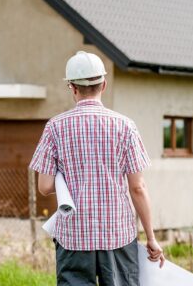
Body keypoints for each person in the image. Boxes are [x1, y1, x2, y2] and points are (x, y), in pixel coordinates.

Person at [30, 51, 164, 286]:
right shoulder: (125, 126)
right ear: (103, 84)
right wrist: (151, 238)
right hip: (117, 236)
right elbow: (138, 188)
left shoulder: (55, 127)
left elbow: (44, 186)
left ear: (72, 88)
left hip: (73, 238)